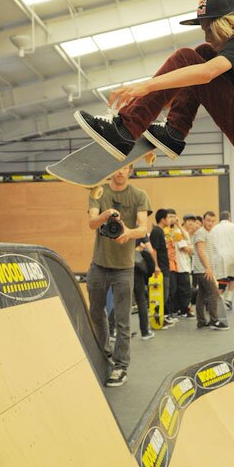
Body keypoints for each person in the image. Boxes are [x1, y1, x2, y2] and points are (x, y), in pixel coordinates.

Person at [74, 0, 234, 162]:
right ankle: (174, 132)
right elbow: (200, 74)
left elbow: (207, 73)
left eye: (209, 30)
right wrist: (171, 95)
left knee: (187, 58)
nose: (207, 37)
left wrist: (146, 86)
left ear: (227, 24)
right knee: (203, 54)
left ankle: (126, 130)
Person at [87, 164, 151, 387]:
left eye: (126, 168)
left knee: (123, 320)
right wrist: (106, 215)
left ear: (130, 171)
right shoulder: (98, 191)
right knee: (96, 313)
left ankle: (121, 366)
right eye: (118, 167)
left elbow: (143, 228)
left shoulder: (139, 195)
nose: (121, 172)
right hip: (99, 264)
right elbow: (91, 223)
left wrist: (128, 232)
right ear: (113, 169)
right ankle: (104, 356)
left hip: (125, 266)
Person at [194, 211, 229, 330]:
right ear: (203, 220)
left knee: (201, 295)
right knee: (214, 293)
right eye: (208, 220)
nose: (210, 223)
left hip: (205, 269)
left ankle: (201, 322)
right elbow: (200, 251)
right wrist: (208, 268)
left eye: (212, 221)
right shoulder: (201, 232)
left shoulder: (210, 233)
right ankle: (214, 321)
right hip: (203, 269)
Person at [211, 211, 234, 309]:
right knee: (233, 277)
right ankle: (228, 298)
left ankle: (220, 298)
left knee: (221, 280)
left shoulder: (214, 229)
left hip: (219, 257)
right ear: (229, 218)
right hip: (232, 256)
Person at [149, 208, 175, 329]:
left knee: (165, 294)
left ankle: (162, 318)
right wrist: (156, 266)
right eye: (169, 217)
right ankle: (157, 321)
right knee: (160, 296)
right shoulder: (156, 231)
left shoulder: (161, 231)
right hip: (160, 269)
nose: (170, 220)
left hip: (165, 267)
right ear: (163, 219)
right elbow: (153, 250)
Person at [134, 235, 155, 340]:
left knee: (120, 301)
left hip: (122, 270)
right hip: (137, 271)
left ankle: (114, 331)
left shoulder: (120, 229)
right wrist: (139, 249)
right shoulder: (140, 231)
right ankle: (145, 332)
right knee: (141, 300)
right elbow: (150, 249)